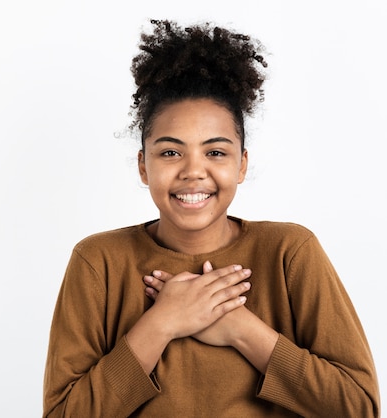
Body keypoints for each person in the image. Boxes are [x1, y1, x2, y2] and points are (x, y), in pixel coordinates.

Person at [43, 19, 380, 417]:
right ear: (143, 166)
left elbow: (358, 407)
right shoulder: (97, 261)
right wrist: (163, 322)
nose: (193, 171)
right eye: (170, 152)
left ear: (241, 164)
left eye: (215, 152)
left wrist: (239, 328)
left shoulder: (290, 252)